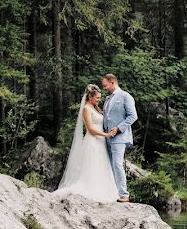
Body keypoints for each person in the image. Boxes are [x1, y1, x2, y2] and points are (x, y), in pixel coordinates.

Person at [54, 84, 119, 203]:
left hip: (101, 141)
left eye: (99, 98)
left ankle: (103, 189)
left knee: (102, 165)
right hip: (93, 141)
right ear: (90, 96)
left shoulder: (96, 108)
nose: (99, 100)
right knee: (93, 165)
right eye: (97, 98)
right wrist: (106, 135)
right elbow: (90, 129)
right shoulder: (86, 109)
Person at [101, 74, 137, 203]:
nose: (104, 88)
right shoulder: (107, 98)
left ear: (112, 82)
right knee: (110, 165)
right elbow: (107, 116)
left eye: (105, 85)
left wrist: (118, 128)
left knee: (117, 164)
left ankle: (124, 194)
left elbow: (133, 116)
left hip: (120, 137)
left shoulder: (125, 96)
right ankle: (113, 192)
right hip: (107, 137)